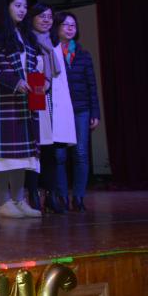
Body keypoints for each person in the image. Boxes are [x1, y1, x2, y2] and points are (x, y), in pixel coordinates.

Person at [0, 0, 41, 218]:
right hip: (3, 101)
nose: (22, 10)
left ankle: (19, 200)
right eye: (17, 5)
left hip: (25, 101)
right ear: (7, 7)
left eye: (25, 6)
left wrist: (41, 82)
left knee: (22, 155)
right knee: (2, 155)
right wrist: (15, 82)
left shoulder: (27, 36)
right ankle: (4, 202)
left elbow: (34, 66)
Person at [25, 3, 76, 214]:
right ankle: (33, 194)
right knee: (34, 151)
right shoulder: (27, 41)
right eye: (41, 16)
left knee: (51, 152)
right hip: (35, 99)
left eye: (49, 17)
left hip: (53, 102)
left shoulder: (54, 43)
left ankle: (51, 195)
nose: (46, 20)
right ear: (32, 18)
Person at [55, 11, 100, 211]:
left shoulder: (83, 54)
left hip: (81, 109)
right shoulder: (52, 53)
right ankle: (62, 197)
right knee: (59, 156)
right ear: (57, 27)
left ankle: (79, 197)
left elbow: (92, 85)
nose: (70, 28)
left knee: (80, 153)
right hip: (59, 111)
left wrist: (95, 112)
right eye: (66, 24)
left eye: (73, 25)